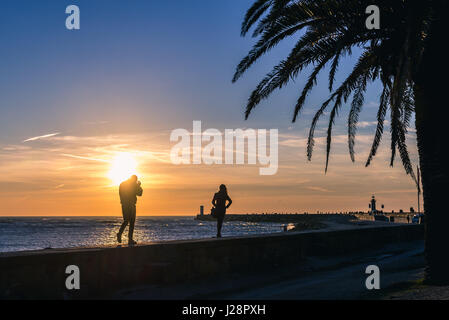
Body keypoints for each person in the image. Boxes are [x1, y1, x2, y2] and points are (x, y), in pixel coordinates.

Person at [117, 175, 143, 245]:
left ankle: (128, 238)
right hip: (128, 205)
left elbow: (140, 193)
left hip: (128, 205)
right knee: (128, 221)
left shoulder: (124, 184)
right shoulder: (129, 185)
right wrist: (138, 186)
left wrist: (137, 186)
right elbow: (139, 193)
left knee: (129, 221)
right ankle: (123, 235)